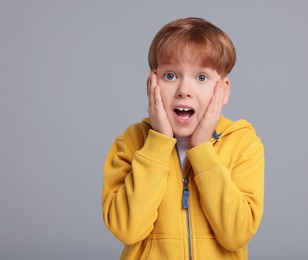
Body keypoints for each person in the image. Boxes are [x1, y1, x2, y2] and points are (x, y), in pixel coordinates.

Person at [102, 17, 264, 260]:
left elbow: (236, 234)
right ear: (152, 82)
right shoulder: (131, 142)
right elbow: (126, 229)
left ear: (224, 90)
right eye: (170, 76)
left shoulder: (243, 143)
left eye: (201, 78)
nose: (183, 90)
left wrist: (201, 148)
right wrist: (158, 142)